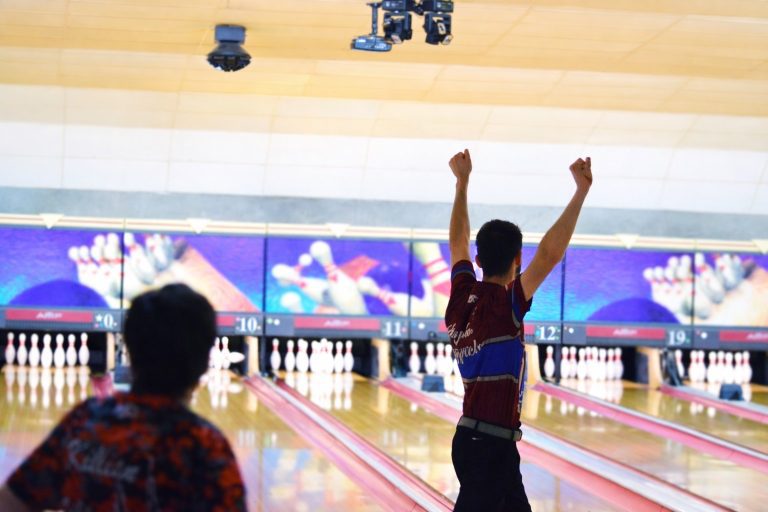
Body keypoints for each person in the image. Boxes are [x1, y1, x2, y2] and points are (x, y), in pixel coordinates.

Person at [0, 284, 246, 512]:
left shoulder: (84, 422)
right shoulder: (206, 446)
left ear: (128, 349)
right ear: (204, 363)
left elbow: (10, 502)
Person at [447, 149, 592, 511]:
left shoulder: (461, 296)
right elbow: (549, 255)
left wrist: (462, 182)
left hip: (479, 441)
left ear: (477, 260)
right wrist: (581, 191)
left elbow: (457, 242)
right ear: (517, 260)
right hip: (490, 446)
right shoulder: (507, 304)